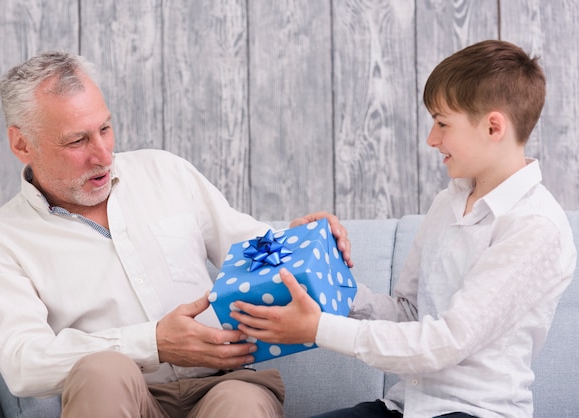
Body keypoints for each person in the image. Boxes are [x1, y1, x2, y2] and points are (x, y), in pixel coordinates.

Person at [0, 51, 353, 418]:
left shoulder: (165, 172)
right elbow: (24, 363)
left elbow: (251, 250)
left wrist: (300, 242)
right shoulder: (0, 241)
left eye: (105, 128)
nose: (102, 154)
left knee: (242, 404)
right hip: (120, 396)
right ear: (22, 144)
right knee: (103, 372)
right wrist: (154, 343)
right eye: (77, 141)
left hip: (223, 384)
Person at [231, 40, 577, 417]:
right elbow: (409, 314)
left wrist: (318, 329)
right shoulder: (448, 202)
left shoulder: (535, 227)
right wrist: (327, 278)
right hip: (402, 407)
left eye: (442, 123)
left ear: (494, 126)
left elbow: (446, 342)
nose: (432, 139)